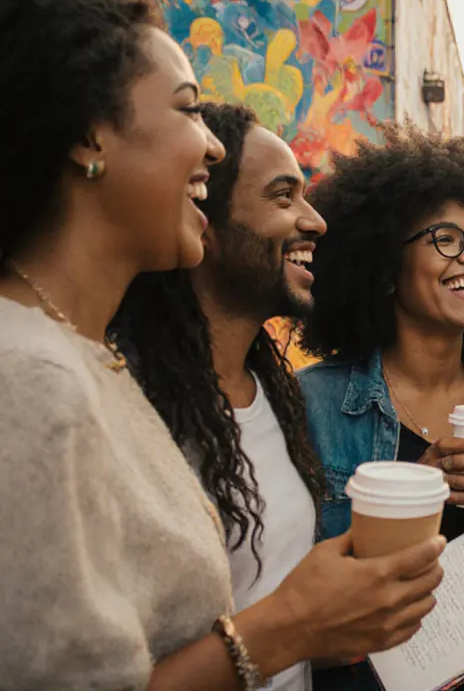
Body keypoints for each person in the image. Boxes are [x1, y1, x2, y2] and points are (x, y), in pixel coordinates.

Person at [0, 0, 443, 689]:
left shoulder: (90, 360)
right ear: (90, 133)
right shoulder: (28, 378)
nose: (209, 146)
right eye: (186, 110)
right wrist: (285, 624)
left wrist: (336, 616)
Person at [297, 125, 464, 691]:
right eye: (445, 238)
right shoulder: (311, 402)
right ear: (384, 268)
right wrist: (414, 489)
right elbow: (285, 595)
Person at [111, 102, 337, 689]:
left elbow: (278, 614)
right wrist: (296, 622)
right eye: (284, 197)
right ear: (202, 221)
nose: (314, 221)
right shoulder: (129, 405)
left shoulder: (273, 393)